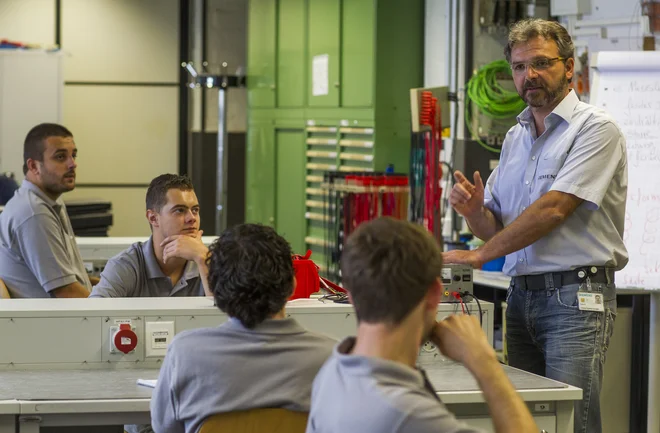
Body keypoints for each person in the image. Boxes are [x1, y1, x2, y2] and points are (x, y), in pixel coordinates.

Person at [443, 18, 627, 433]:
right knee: (528, 419)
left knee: (570, 423)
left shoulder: (596, 129)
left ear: (568, 67)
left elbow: (552, 210)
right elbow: (501, 230)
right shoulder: (515, 138)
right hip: (522, 299)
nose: (530, 76)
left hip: (575, 299)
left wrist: (478, 256)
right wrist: (474, 212)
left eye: (542, 63)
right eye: (521, 67)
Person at [307, 217, 537, 433]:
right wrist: (484, 363)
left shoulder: (330, 373)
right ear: (435, 294)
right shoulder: (410, 415)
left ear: (351, 293)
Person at [151, 223, 335, 433]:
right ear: (292, 285)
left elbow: (164, 428)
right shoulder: (331, 359)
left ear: (216, 291)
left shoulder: (184, 354)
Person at [0, 123, 97, 298]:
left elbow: (70, 280)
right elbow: (66, 293)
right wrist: (114, 308)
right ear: (34, 166)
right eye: (60, 157)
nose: (72, 164)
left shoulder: (48, 200)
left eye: (73, 155)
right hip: (59, 323)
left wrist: (112, 286)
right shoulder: (33, 213)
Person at [90, 174, 211, 298]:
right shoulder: (125, 266)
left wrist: (204, 261)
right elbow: (92, 315)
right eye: (180, 210)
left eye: (195, 210)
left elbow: (227, 314)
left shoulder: (207, 260)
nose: (192, 218)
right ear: (153, 218)